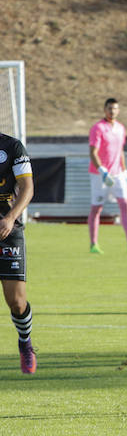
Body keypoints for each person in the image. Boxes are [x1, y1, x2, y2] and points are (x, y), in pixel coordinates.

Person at [87, 98, 127, 254]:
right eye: (109, 108)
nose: (112, 111)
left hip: (118, 174)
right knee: (97, 208)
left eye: (114, 108)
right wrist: (102, 171)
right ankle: (94, 244)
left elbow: (120, 151)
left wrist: (125, 171)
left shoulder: (121, 128)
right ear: (104, 109)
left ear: (118, 110)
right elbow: (93, 152)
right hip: (100, 175)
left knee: (125, 205)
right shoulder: (98, 128)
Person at [0, 132, 36, 374]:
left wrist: (11, 218)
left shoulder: (12, 146)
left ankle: (25, 342)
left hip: (6, 229)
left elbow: (27, 187)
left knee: (16, 302)